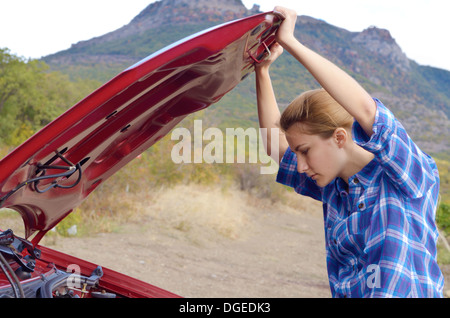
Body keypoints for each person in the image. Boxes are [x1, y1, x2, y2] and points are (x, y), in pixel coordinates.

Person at [255, 6, 444, 297]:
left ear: (339, 137)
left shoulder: (407, 175)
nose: (301, 165)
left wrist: (291, 42)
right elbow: (275, 147)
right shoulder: (331, 187)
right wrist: (263, 71)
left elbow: (368, 111)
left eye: (305, 151)